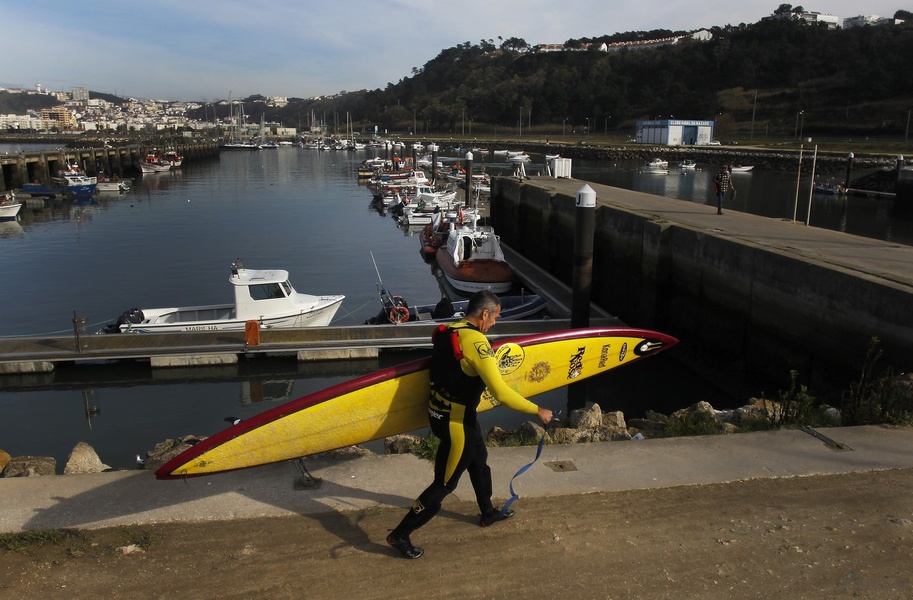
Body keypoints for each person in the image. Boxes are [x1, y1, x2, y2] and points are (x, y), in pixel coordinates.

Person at [386, 290, 553, 559]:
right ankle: (400, 534)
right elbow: (501, 393)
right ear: (484, 314)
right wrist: (537, 410)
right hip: (455, 423)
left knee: (478, 460)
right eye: (496, 316)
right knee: (444, 485)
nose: (496, 323)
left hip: (442, 414)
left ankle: (487, 511)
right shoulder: (478, 344)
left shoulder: (447, 331)